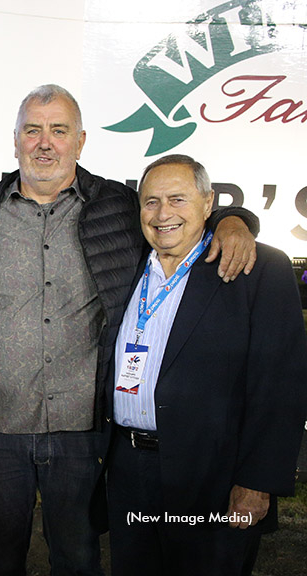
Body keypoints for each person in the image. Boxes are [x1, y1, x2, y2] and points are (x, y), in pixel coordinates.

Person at [0, 84, 259, 576]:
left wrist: (235, 221)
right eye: (33, 130)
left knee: (78, 559)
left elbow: (178, 214)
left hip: (84, 430)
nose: (45, 142)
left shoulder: (119, 206)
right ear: (14, 141)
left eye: (59, 130)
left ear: (81, 140)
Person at [104, 154, 307, 576]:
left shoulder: (258, 268)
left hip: (212, 477)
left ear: (208, 203)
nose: (163, 215)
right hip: (130, 471)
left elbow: (280, 387)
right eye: (151, 202)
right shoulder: (127, 262)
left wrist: (257, 483)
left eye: (178, 199)